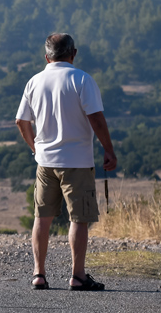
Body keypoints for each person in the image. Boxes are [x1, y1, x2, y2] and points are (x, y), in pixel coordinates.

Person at [15, 33, 117, 291]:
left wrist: (35, 147)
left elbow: (21, 121)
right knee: (79, 219)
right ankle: (77, 276)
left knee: (42, 217)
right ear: (73, 53)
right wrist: (108, 149)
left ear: (46, 56)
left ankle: (39, 274)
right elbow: (96, 119)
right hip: (78, 161)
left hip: (45, 162)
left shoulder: (34, 82)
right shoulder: (82, 80)